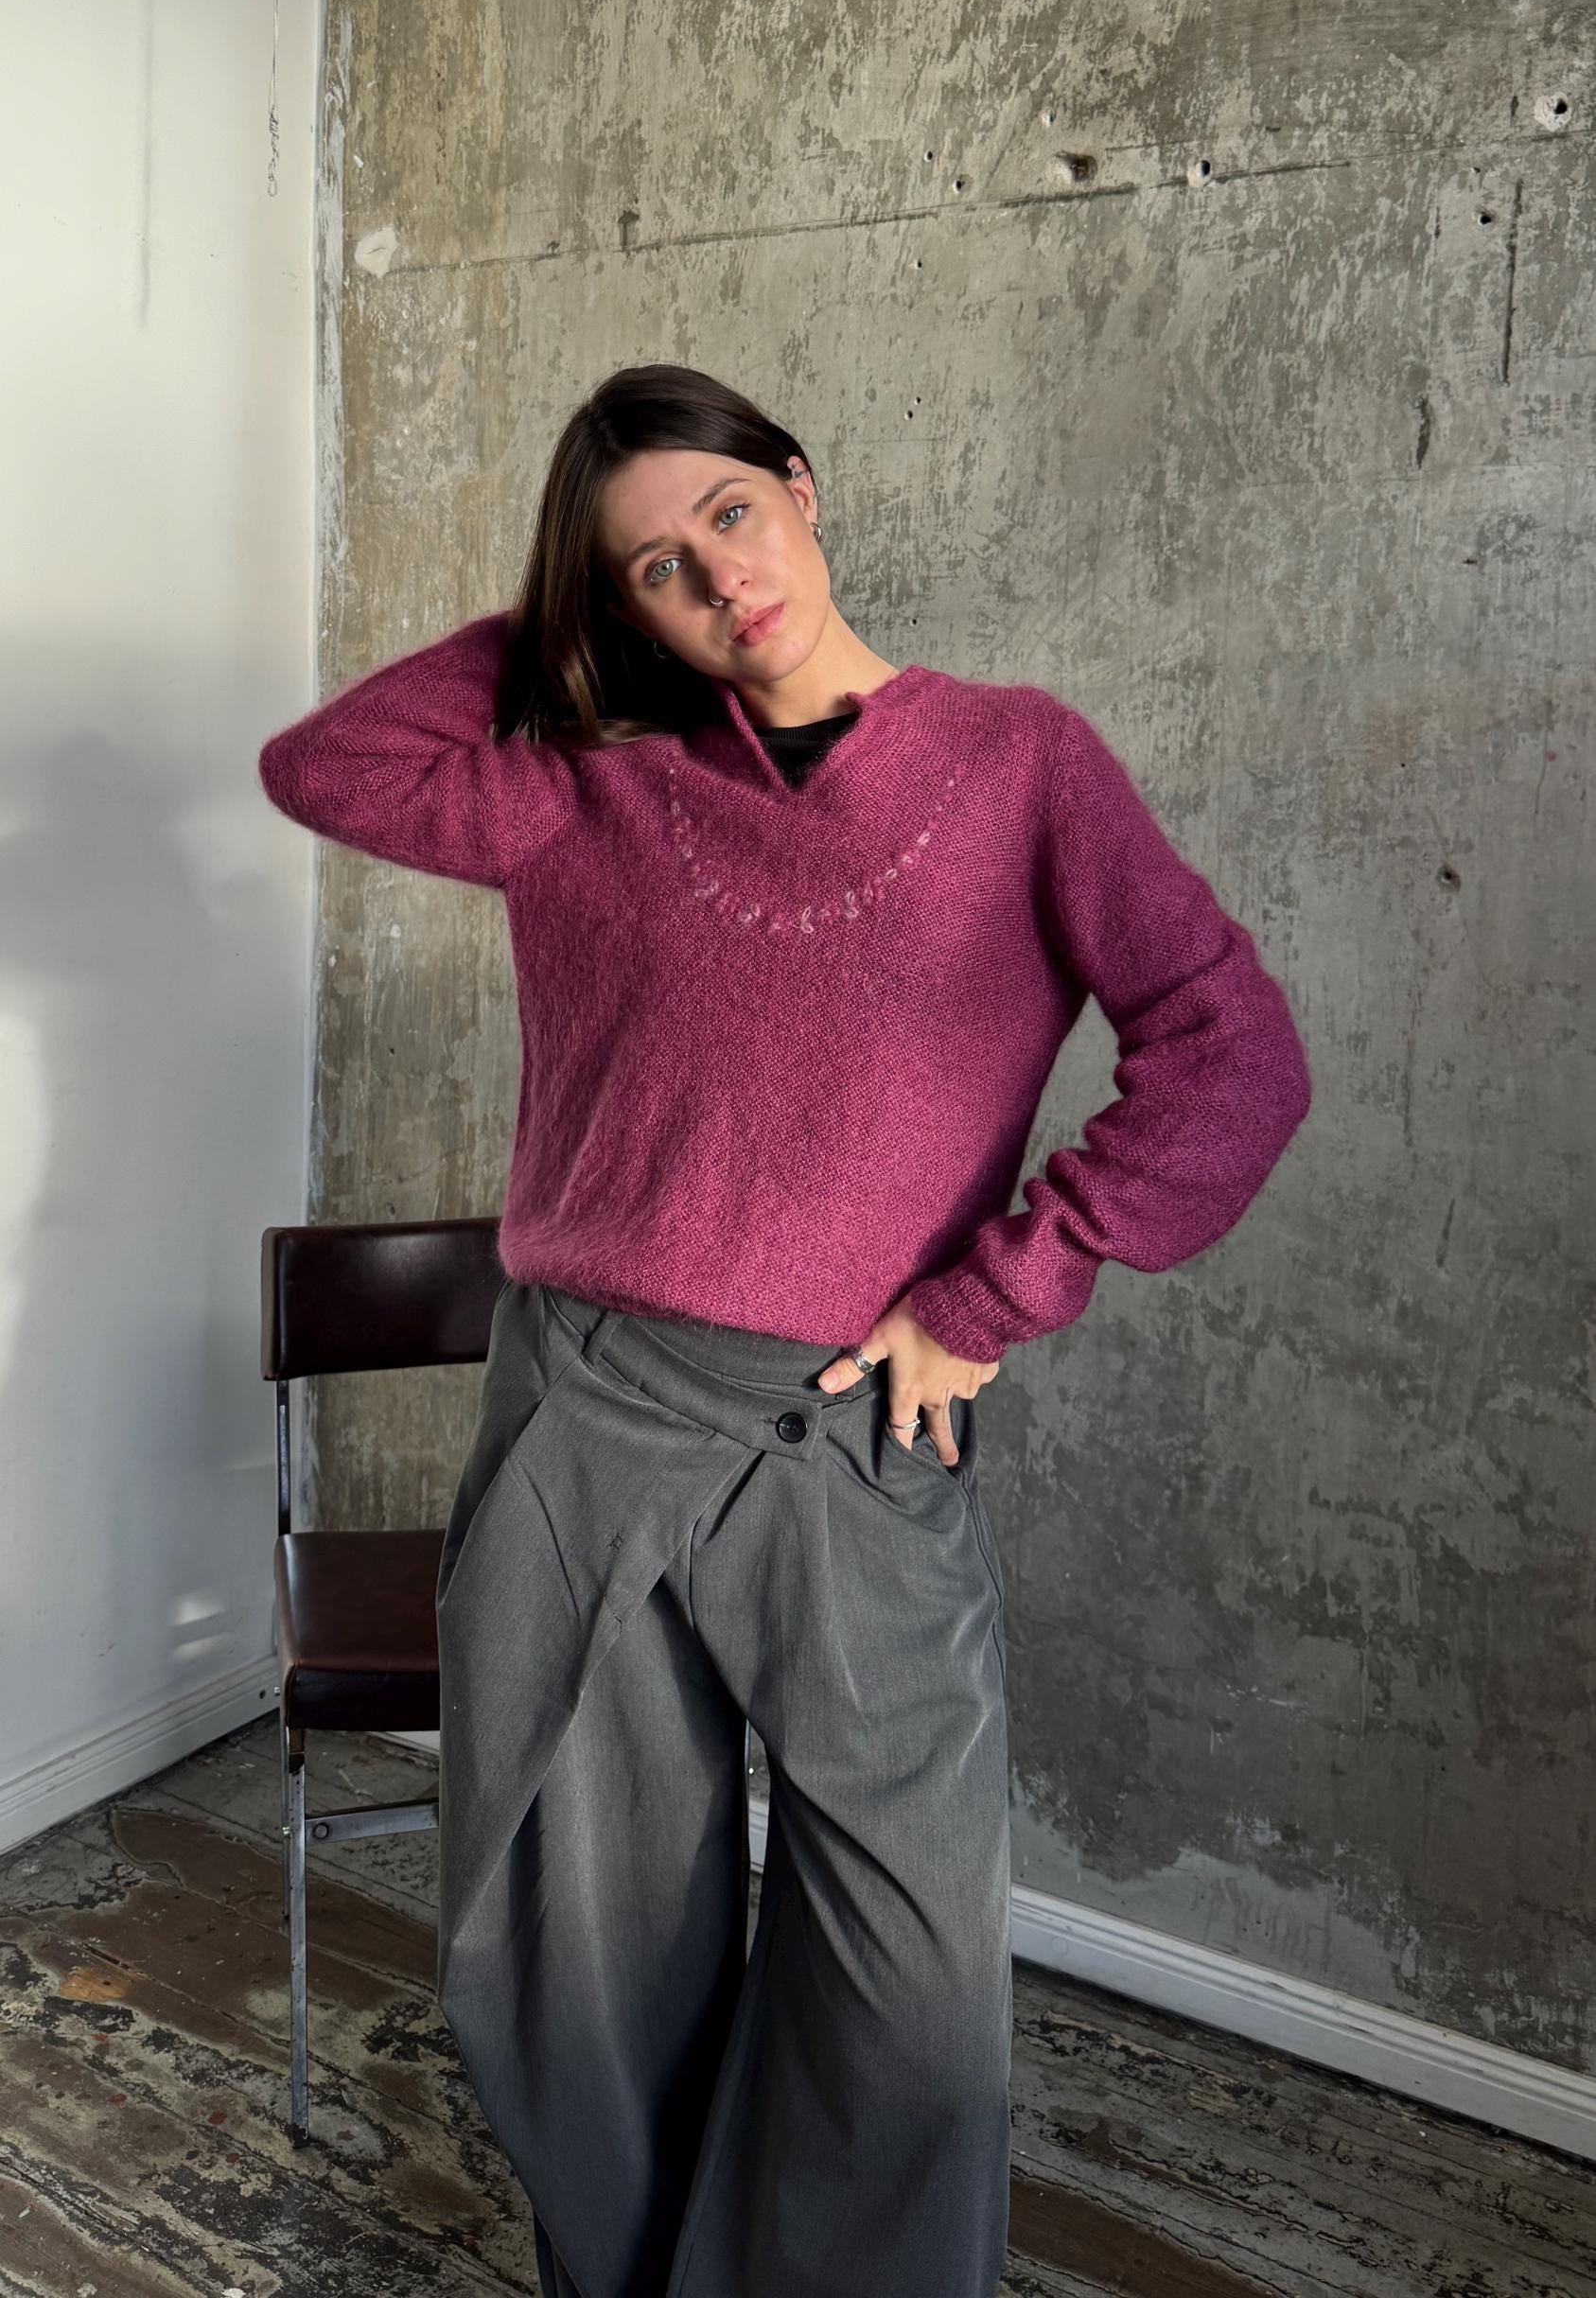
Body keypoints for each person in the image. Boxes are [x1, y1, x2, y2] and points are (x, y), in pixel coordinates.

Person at [256, 360, 1312, 2298]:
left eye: (726, 517)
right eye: (652, 569)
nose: (714, 579)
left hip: (848, 1438)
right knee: (582, 1940)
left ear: (801, 490)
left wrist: (1005, 1286)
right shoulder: (586, 783)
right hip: (579, 1413)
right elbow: (322, 769)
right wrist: (579, 616)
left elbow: (1230, 1058)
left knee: (907, 1986)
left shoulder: (1019, 764)